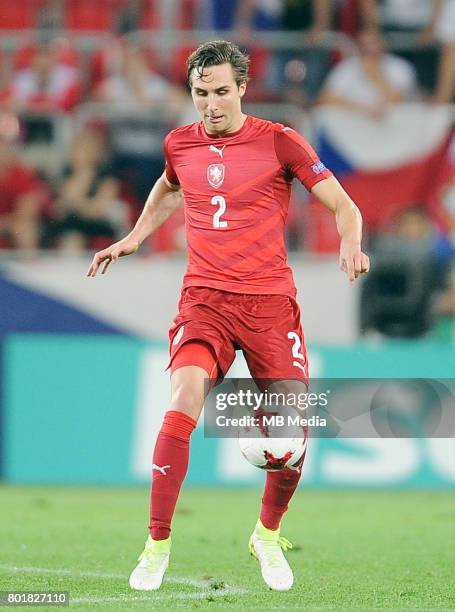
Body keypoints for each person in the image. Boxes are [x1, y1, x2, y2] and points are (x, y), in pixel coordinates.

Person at [87, 40, 370, 592]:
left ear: (242, 88)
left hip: (268, 304)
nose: (210, 104)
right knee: (184, 396)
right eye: (200, 93)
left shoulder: (279, 141)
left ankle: (266, 535)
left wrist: (350, 244)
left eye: (220, 92)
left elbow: (344, 205)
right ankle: (157, 544)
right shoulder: (179, 143)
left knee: (293, 434)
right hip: (205, 300)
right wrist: (135, 237)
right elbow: (169, 186)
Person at [318, 27, 418, 117]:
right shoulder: (347, 67)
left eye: (374, 43)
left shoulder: (400, 67)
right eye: (365, 44)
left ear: (384, 44)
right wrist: (362, 109)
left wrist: (375, 76)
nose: (369, 48)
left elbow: (399, 101)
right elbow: (325, 99)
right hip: (354, 125)